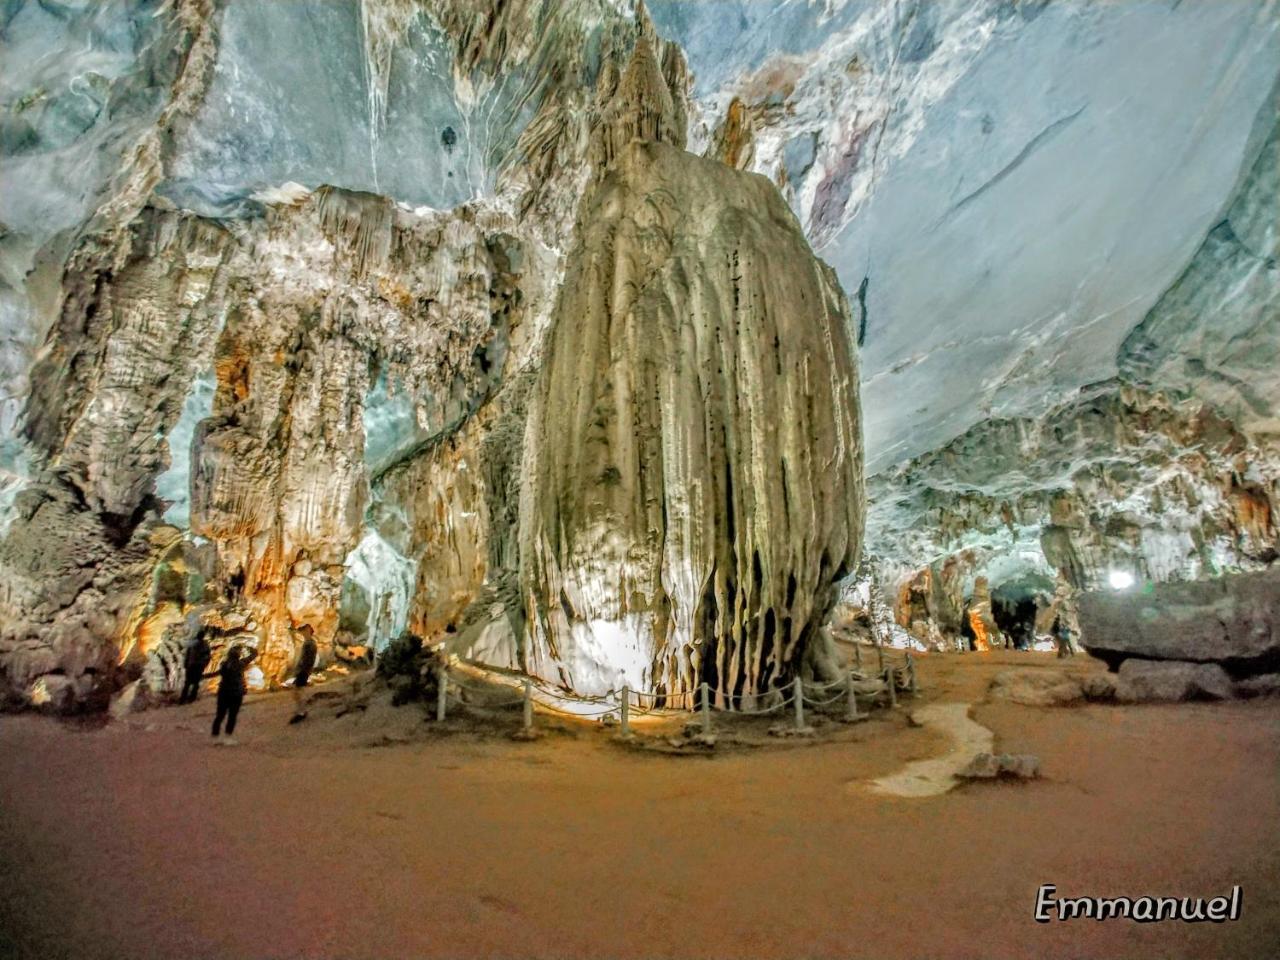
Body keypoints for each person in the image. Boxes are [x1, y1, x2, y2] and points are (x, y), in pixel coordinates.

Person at [211, 642, 258, 744]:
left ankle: (215, 736)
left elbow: (219, 673)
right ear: (238, 656)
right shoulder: (241, 664)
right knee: (232, 716)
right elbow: (254, 654)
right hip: (236, 693)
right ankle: (227, 737)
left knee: (220, 715)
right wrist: (248, 647)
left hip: (223, 692)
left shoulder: (224, 665)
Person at [289, 624, 319, 723]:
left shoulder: (309, 644)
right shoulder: (309, 643)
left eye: (304, 631)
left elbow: (306, 660)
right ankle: (302, 709)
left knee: (297, 691)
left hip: (304, 671)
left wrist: (301, 670)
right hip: (305, 670)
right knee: (298, 690)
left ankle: (301, 711)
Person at [179, 614, 212, 704]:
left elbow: (188, 654)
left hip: (192, 665)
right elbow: (207, 655)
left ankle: (183, 698)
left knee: (188, 683)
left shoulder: (194, 644)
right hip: (197, 665)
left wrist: (186, 663)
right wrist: (204, 663)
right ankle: (190, 698)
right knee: (194, 683)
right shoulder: (204, 645)